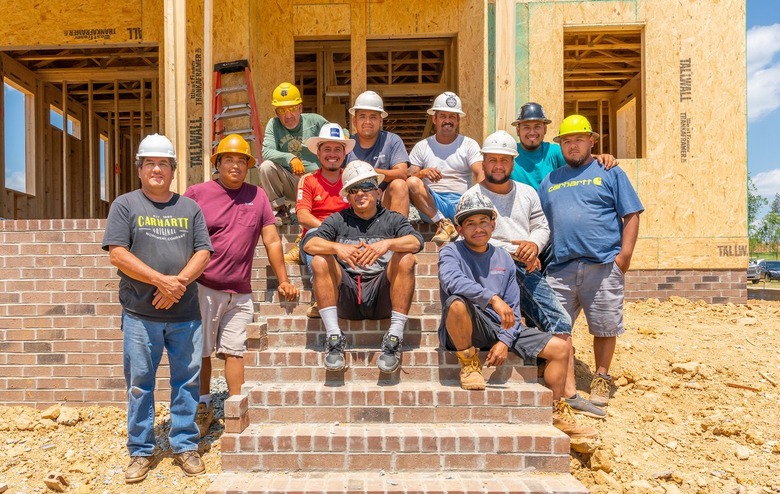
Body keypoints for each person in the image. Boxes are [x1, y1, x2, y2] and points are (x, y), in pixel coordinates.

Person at [467, 131, 604, 419]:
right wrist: (515, 249)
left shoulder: (527, 193)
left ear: (513, 162)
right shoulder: (473, 196)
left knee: (559, 320)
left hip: (524, 267)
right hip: (489, 269)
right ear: (484, 161)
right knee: (543, 319)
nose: (498, 165)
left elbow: (542, 227)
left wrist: (534, 245)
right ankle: (561, 394)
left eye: (504, 160)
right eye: (492, 160)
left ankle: (567, 396)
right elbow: (468, 238)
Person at [437, 191, 596, 438]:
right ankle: (469, 364)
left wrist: (504, 341)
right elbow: (452, 280)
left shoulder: (503, 257)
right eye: (470, 223)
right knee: (456, 303)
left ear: (493, 224)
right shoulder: (451, 252)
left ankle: (555, 411)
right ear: (459, 229)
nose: (478, 229)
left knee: (561, 349)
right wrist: (492, 298)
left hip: (500, 326)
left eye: (483, 222)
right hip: (467, 325)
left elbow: (513, 307)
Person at [102, 134, 213, 483]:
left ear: (173, 170)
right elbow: (118, 254)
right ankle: (141, 450)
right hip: (140, 314)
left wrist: (177, 285)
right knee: (139, 384)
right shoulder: (125, 205)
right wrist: (160, 281)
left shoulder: (189, 208)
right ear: (139, 169)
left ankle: (184, 445)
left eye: (163, 163)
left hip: (185, 314)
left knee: (187, 382)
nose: (156, 169)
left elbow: (204, 252)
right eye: (149, 163)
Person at [184, 134, 299, 437]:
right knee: (202, 351)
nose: (235, 165)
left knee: (235, 351)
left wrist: (284, 280)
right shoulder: (197, 194)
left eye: (241, 161)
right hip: (204, 286)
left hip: (240, 291)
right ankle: (203, 407)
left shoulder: (257, 196)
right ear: (218, 164)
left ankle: (236, 408)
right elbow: (182, 236)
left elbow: (271, 240)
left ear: (248, 166)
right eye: (228, 160)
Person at [538, 115, 644, 409]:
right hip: (560, 268)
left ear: (591, 141)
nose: (573, 146)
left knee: (604, 326)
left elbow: (631, 215)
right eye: (567, 141)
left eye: (579, 140)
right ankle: (561, 380)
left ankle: (601, 377)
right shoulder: (550, 181)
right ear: (560, 146)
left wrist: (624, 257)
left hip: (603, 265)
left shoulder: (609, 172)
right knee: (556, 326)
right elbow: (540, 223)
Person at [302, 160, 423, 373]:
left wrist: (387, 244)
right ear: (347, 197)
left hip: (382, 295)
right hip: (347, 295)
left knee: (406, 258)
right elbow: (310, 244)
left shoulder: (392, 219)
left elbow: (416, 242)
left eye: (367, 187)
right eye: (353, 189)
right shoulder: (338, 220)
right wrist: (337, 248)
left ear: (378, 192)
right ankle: (334, 338)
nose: (360, 193)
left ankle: (394, 337)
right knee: (320, 259)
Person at [294, 123, 354, 317]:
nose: (332, 154)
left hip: (347, 236)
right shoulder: (308, 180)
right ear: (318, 153)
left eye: (337, 149)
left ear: (344, 154)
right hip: (316, 236)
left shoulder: (351, 179)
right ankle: (320, 298)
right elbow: (303, 216)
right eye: (327, 149)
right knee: (318, 238)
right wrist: (329, 230)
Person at [407, 91, 483, 245]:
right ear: (434, 119)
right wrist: (423, 173)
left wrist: (480, 204)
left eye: (452, 117)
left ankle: (450, 227)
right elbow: (407, 178)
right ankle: (443, 223)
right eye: (443, 116)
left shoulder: (469, 144)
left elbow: (481, 173)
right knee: (412, 182)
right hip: (432, 205)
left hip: (461, 203)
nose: (447, 121)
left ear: (457, 120)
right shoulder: (422, 146)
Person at [259, 82, 327, 225]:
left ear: (300, 108)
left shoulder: (315, 121)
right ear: (277, 113)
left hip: (316, 182)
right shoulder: (274, 124)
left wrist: (344, 135)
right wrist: (290, 158)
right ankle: (281, 210)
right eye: (282, 110)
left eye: (292, 108)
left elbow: (338, 130)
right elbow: (266, 151)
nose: (288, 115)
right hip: (292, 182)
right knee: (266, 167)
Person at [510, 102, 617, 190]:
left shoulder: (552, 151)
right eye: (526, 127)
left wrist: (600, 158)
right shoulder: (510, 153)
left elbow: (578, 158)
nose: (532, 132)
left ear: (545, 129)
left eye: (537, 127)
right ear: (518, 130)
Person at [345, 91, 410, 216]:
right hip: (355, 201)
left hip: (383, 201)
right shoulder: (347, 144)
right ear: (354, 120)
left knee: (399, 185)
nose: (367, 121)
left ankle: (398, 227)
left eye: (373, 117)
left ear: (380, 121)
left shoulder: (392, 140)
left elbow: (402, 174)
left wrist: (367, 172)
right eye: (362, 116)